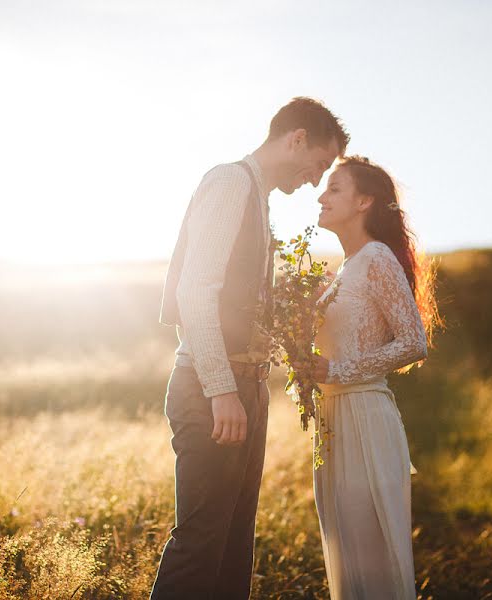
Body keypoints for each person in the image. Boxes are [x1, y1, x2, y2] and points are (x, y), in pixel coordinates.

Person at [152, 97, 349, 600]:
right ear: (297, 138)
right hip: (213, 388)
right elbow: (195, 292)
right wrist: (221, 390)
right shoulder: (230, 182)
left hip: (246, 386)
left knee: (234, 548)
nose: (314, 179)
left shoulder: (256, 197)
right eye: (319, 164)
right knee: (201, 546)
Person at [308, 155, 439, 599]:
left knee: (374, 561)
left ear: (365, 201)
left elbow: (414, 342)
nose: (321, 196)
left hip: (365, 415)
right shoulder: (342, 271)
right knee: (347, 559)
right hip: (331, 423)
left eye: (334, 188)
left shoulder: (377, 258)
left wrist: (338, 370)